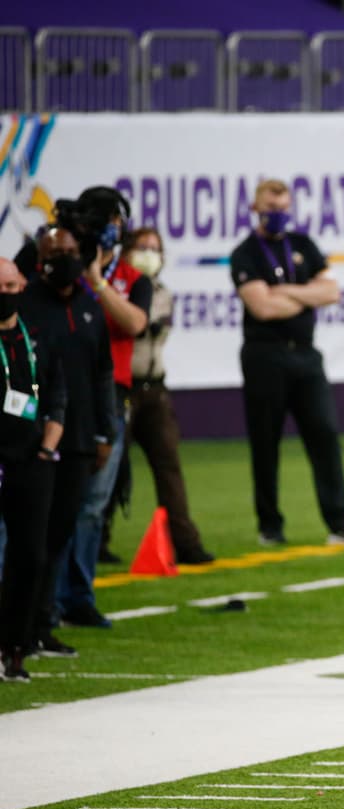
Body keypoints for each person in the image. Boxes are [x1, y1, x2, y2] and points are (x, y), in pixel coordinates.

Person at [229, 179, 344, 547]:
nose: (277, 215)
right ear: (255, 209)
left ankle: (340, 523)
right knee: (266, 443)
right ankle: (270, 526)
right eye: (270, 209)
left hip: (305, 353)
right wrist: (307, 295)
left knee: (325, 435)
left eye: (282, 208)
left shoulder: (303, 244)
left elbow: (331, 292)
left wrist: (285, 291)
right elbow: (262, 307)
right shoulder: (245, 253)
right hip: (264, 355)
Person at [18, 227, 116, 659]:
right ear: (39, 259)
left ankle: (43, 623)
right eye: (56, 252)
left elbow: (103, 373)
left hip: (79, 437)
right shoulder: (24, 305)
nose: (65, 259)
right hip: (32, 440)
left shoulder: (90, 307)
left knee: (59, 534)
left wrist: (105, 431)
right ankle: (19, 628)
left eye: (72, 251)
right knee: (28, 537)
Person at [58, 187, 152, 629]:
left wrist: (97, 282)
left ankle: (79, 595)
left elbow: (134, 322)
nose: (112, 228)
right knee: (58, 498)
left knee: (94, 502)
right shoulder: (62, 268)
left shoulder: (134, 279)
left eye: (116, 220)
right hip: (63, 389)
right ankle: (45, 598)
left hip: (111, 394)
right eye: (105, 220)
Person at [118, 227, 215, 565]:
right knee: (110, 469)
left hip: (155, 387)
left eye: (154, 248)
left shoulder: (162, 293)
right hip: (123, 388)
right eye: (142, 247)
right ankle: (96, 542)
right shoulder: (117, 290)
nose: (149, 254)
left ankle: (186, 542)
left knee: (169, 466)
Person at [0, 257, 66, 682]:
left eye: (11, 285)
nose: (6, 293)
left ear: (23, 285)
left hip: (32, 460)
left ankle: (15, 647)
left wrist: (47, 447)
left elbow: (57, 394)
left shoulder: (37, 336)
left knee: (30, 555)